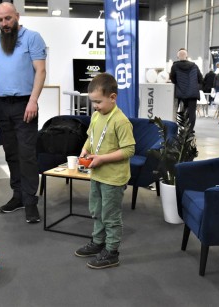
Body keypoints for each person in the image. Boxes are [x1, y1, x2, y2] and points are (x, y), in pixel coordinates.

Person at [0, 2, 46, 223]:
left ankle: (31, 202)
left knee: (27, 154)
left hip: (25, 104)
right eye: (0, 20)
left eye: (8, 19)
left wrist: (34, 100)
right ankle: (18, 196)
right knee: (11, 152)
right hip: (2, 105)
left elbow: (40, 71)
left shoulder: (32, 38)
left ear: (17, 17)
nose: (4, 23)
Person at [74, 73, 135, 269]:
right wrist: (85, 149)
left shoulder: (121, 121)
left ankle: (112, 252)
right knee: (97, 211)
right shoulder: (96, 116)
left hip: (113, 178)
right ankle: (98, 243)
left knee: (110, 215)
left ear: (113, 97)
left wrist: (101, 159)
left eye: (98, 101)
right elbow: (90, 138)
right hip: (98, 175)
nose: (95, 106)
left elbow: (129, 150)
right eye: (93, 102)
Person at [169, 48, 203, 132]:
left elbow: (172, 79)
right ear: (187, 56)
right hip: (192, 93)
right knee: (191, 112)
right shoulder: (194, 66)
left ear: (178, 57)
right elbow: (200, 78)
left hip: (181, 92)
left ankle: (179, 129)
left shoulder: (175, 66)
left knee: (178, 110)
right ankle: (190, 130)